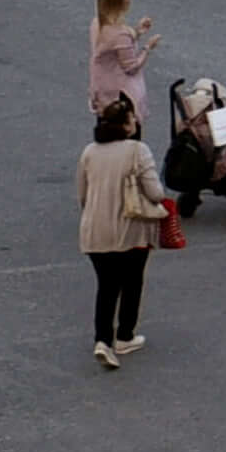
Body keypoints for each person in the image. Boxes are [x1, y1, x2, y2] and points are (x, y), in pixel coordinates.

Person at [75, 94, 170, 370]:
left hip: (94, 231)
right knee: (132, 282)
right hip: (131, 231)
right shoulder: (137, 151)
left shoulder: (89, 152)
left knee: (106, 287)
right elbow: (156, 192)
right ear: (127, 125)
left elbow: (82, 195)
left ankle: (102, 340)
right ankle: (125, 335)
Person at [87, 0, 158, 126]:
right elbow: (131, 67)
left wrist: (137, 32)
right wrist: (148, 48)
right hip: (120, 95)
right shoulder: (120, 33)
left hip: (103, 93)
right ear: (121, 1)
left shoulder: (98, 24)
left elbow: (116, 47)